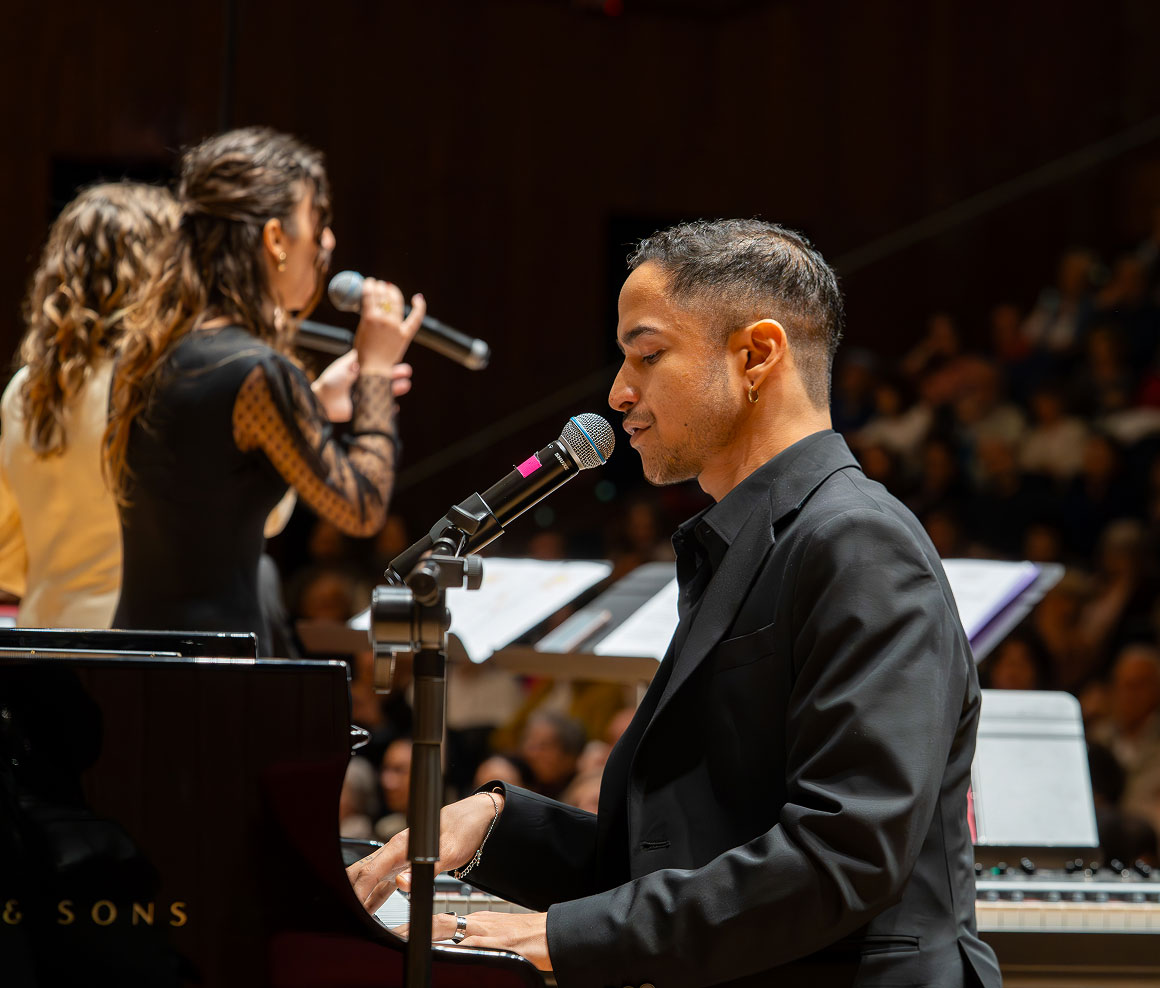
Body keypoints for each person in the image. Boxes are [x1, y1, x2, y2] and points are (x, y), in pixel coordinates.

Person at [349, 219, 1001, 987]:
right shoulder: (752, 543)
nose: (621, 392)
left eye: (648, 355)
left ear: (757, 355)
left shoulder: (856, 541)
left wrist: (560, 936)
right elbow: (680, 854)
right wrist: (496, 825)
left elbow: (845, 854)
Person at [104, 127, 422, 655]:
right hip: (217, 664)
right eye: (317, 220)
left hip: (137, 654)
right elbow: (361, 507)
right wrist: (374, 373)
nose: (327, 241)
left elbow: (208, 469)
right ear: (275, 238)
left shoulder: (147, 350)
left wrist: (314, 402)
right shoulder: (257, 371)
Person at [0, 182, 178, 628]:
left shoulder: (24, 390)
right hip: (132, 643)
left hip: (41, 640)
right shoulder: (159, 384)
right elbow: (260, 516)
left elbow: (7, 555)